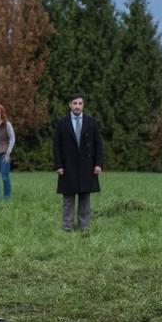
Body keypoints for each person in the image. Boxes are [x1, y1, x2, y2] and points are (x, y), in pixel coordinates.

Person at [53, 93, 103, 231]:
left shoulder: (91, 122)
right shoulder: (62, 123)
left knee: (85, 199)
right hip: (68, 166)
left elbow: (98, 144)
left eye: (80, 103)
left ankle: (84, 227)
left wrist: (98, 164)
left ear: (83, 105)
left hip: (87, 166)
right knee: (68, 199)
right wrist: (58, 165)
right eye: (75, 103)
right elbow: (56, 146)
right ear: (70, 105)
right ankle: (67, 227)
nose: (77, 106)